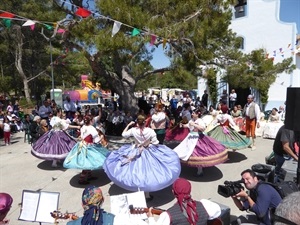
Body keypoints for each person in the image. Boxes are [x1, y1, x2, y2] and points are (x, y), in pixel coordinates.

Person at [103, 114, 180, 193]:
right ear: (145, 122)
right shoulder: (150, 131)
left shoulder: (133, 130)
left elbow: (123, 134)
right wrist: (148, 142)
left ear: (137, 122)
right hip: (148, 151)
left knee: (136, 170)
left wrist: (129, 125)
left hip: (136, 149)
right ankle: (147, 194)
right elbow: (156, 142)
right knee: (148, 170)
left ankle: (138, 188)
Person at [173, 109, 228, 176]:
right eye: (192, 113)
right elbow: (188, 125)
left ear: (197, 114)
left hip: (198, 138)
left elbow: (203, 128)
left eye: (193, 113)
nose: (192, 114)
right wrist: (182, 125)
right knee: (185, 150)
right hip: (190, 138)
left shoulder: (200, 121)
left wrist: (194, 124)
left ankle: (200, 170)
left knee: (198, 153)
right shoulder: (191, 120)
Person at [147, 178, 221, 225]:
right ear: (190, 190)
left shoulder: (168, 215)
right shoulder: (205, 205)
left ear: (173, 192)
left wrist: (150, 218)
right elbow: (216, 214)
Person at [64, 115, 110, 184]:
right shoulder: (92, 128)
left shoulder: (83, 127)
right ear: (91, 121)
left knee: (88, 161)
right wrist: (101, 137)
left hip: (82, 144)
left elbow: (82, 136)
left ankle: (89, 176)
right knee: (88, 162)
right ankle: (81, 179)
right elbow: (96, 141)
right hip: (88, 146)